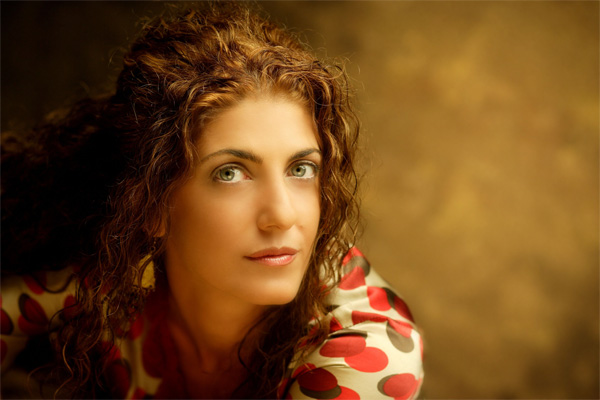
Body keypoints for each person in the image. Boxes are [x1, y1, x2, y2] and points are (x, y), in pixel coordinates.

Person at [1, 3, 423, 399]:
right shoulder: (114, 278)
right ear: (149, 203)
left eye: (301, 169)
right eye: (230, 173)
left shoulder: (369, 351)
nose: (282, 215)